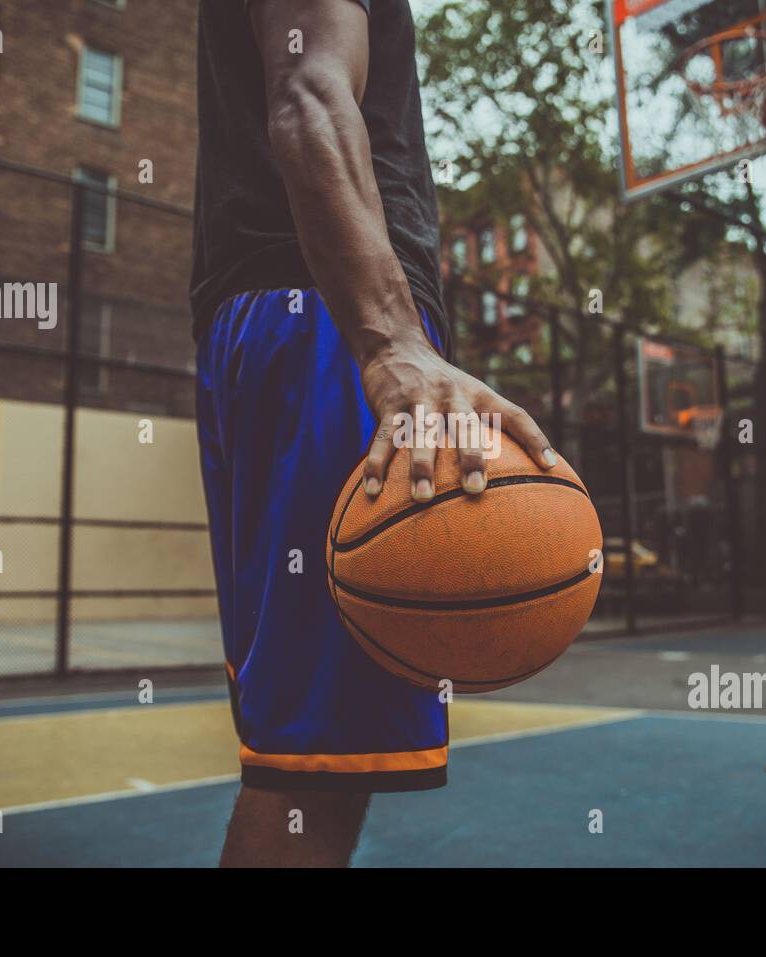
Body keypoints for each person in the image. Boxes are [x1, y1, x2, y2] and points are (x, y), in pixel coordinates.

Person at [190, 0, 556, 867]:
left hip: (309, 321)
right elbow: (311, 91)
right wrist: (391, 340)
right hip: (328, 319)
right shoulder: (352, 328)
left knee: (311, 758)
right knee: (314, 772)